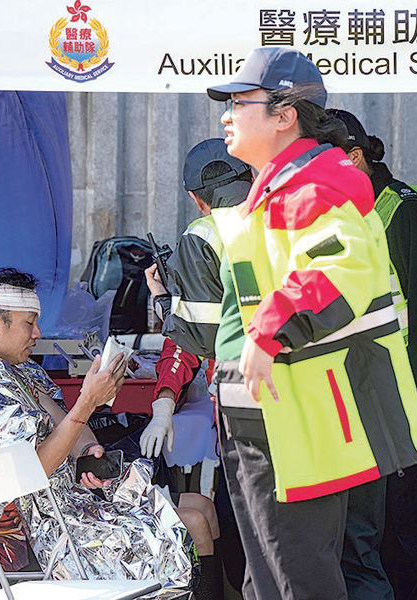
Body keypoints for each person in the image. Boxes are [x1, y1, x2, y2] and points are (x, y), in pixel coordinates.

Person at [204, 47, 417, 600]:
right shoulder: (278, 186)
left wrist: (268, 330)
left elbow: (340, 270)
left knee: (298, 579)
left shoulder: (315, 184)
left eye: (239, 102)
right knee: (269, 579)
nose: (225, 115)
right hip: (267, 415)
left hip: (297, 421)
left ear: (284, 114)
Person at [0, 268, 193, 586]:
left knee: (199, 510)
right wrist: (87, 403)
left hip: (65, 504)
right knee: (187, 528)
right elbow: (27, 472)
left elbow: (61, 419)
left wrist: (86, 452)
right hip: (22, 536)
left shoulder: (18, 369)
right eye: (30, 323)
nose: (38, 333)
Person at [327, 108, 417, 600]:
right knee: (379, 521)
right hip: (379, 390)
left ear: (356, 157)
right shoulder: (350, 213)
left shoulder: (403, 210)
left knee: (410, 518)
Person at [143, 137, 254, 598]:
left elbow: (197, 336)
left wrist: (166, 302)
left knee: (243, 523)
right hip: (319, 401)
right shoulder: (292, 218)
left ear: (196, 198)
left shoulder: (204, 236)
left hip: (246, 408)